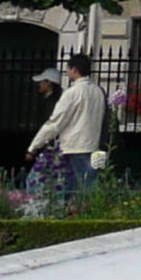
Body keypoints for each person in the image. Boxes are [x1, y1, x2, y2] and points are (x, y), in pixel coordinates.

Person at [26, 53, 106, 198]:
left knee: (66, 191)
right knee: (85, 191)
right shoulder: (98, 92)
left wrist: (34, 147)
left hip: (73, 148)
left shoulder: (72, 93)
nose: (67, 72)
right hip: (92, 146)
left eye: (68, 69)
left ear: (74, 70)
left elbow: (55, 123)